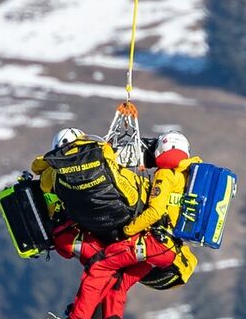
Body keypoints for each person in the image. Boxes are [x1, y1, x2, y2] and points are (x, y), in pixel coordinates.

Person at [67, 131, 199, 319]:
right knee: (119, 281)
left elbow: (155, 211)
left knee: (100, 266)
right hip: (169, 250)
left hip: (154, 244)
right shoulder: (188, 175)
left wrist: (128, 230)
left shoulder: (166, 174)